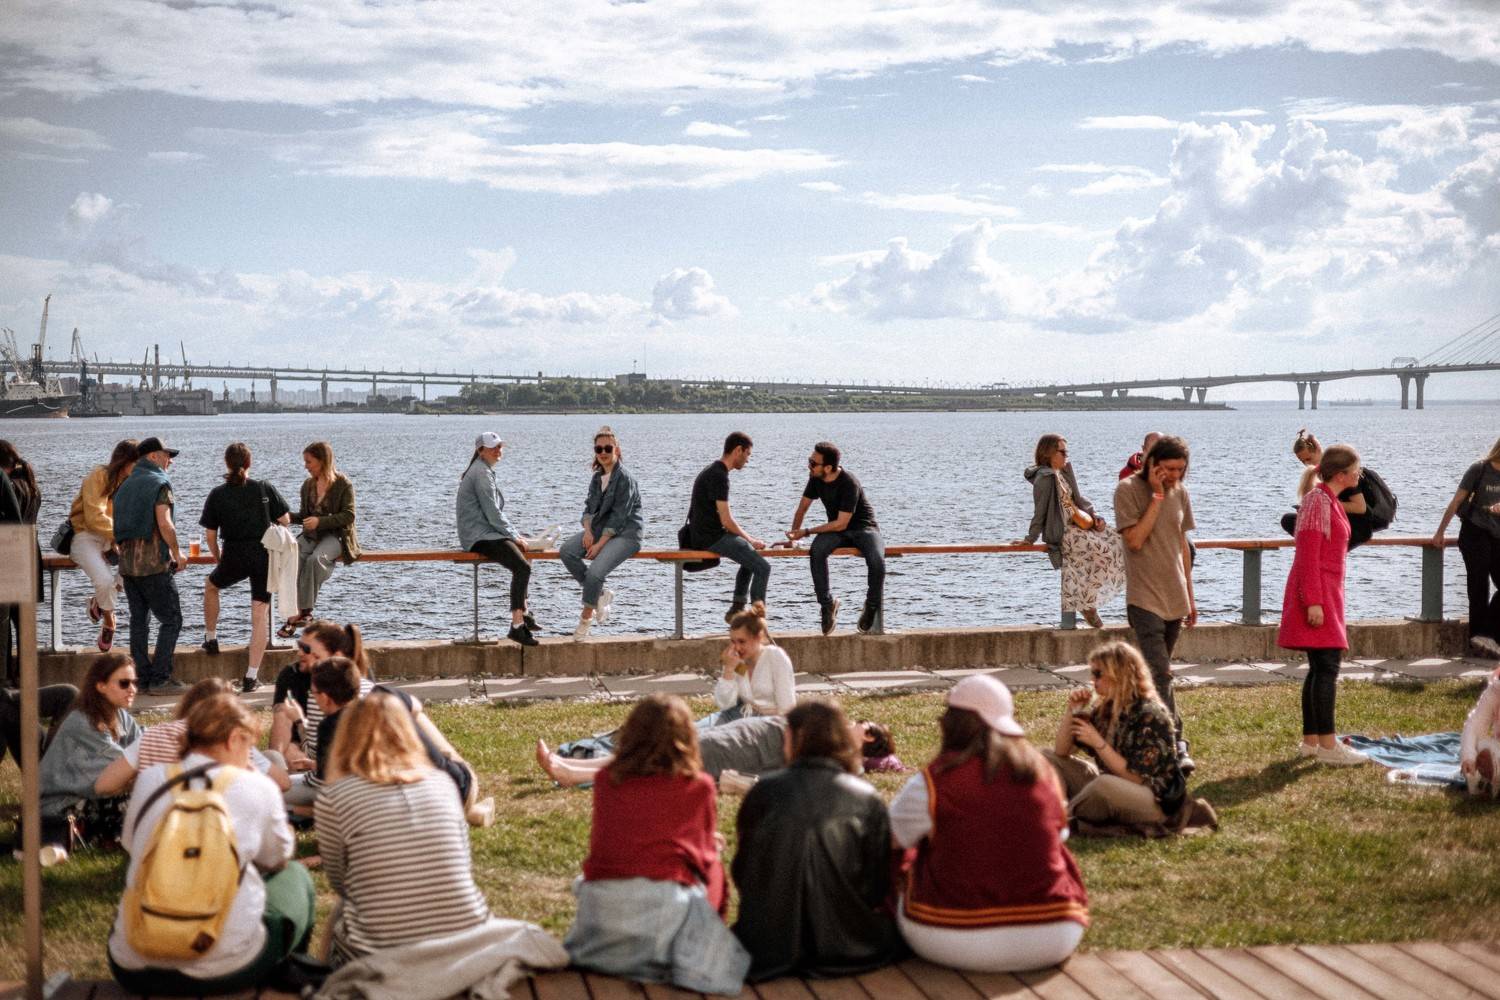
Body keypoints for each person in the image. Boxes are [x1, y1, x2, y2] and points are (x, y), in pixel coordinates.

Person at [108, 694, 315, 994]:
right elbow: (277, 859)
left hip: (135, 966)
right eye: (249, 745)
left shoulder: (150, 779)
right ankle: (288, 971)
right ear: (233, 739)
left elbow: (131, 844)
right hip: (224, 968)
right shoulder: (257, 786)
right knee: (296, 877)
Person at [890, 675, 1088, 971]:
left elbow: (891, 839)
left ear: (951, 723)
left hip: (949, 935)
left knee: (905, 855)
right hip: (1054, 933)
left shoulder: (934, 780)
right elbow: (1059, 836)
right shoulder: (1043, 773)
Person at [563, 695, 751, 994]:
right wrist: (708, 846)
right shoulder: (698, 786)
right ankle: (700, 946)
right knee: (713, 864)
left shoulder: (607, 780)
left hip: (603, 898)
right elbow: (700, 858)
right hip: (665, 904)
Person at [315, 692, 493, 966]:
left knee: (342, 910)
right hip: (466, 940)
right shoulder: (442, 783)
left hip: (376, 954)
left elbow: (340, 880)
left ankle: (325, 978)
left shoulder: (335, 797)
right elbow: (462, 860)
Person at [732, 700, 901, 981]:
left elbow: (743, 870)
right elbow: (876, 883)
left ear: (793, 737)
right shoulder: (866, 797)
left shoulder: (763, 792)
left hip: (768, 943)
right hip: (850, 942)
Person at [1279, 445, 1370, 767]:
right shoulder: (1318, 501)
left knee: (1319, 667)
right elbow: (1307, 554)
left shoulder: (1327, 499)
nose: (1359, 474)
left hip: (1327, 592)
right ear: (1341, 474)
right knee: (1327, 666)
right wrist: (1314, 602)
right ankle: (1329, 746)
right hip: (1318, 594)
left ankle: (1312, 742)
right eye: (1356, 469)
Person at [1113, 434, 1196, 773]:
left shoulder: (1182, 492)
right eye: (1170, 469)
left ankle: (1131, 730)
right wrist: (1157, 497)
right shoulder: (1127, 490)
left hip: (1175, 595)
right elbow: (1134, 540)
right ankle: (1176, 744)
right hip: (1144, 598)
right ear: (1153, 463)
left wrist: (1191, 595)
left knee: (1151, 676)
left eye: (1181, 470)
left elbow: (1182, 545)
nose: (1176, 475)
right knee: (1161, 673)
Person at [1044, 641, 1186, 829]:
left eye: (1098, 674)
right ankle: (1060, 809)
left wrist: (1098, 743)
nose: (1092, 680)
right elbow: (1061, 751)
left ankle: (1058, 818)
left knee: (1103, 785)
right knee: (1047, 757)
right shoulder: (1105, 709)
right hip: (1114, 784)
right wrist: (1072, 711)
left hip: (1152, 800)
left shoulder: (1150, 715)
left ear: (1119, 675)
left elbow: (1136, 778)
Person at [537, 713, 896, 787]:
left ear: (868, 737)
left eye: (863, 724)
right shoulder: (830, 739)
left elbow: (786, 772)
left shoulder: (833, 752)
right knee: (653, 753)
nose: (855, 722)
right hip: (738, 738)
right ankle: (570, 767)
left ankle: (571, 773)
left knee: (654, 761)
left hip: (736, 750)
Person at [199, 442, 293, 692]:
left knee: (211, 586)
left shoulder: (217, 494)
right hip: (263, 556)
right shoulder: (263, 487)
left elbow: (210, 535)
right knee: (259, 615)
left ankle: (211, 638)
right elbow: (285, 520)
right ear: (249, 463)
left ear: (227, 463)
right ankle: (251, 677)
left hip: (234, 554)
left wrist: (218, 558)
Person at [94, 677, 292, 794]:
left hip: (159, 837)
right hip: (219, 833)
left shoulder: (151, 737)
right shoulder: (231, 740)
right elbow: (284, 783)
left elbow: (103, 785)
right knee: (273, 759)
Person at [37, 652, 142, 844]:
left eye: (134, 683)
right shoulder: (85, 722)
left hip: (85, 798)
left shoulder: (118, 715)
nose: (132, 689)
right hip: (59, 810)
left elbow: (142, 744)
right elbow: (126, 766)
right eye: (124, 683)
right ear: (101, 686)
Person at [1023, 434, 1124, 630]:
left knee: (1119, 544)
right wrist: (1030, 538)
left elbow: (1078, 499)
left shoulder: (1062, 473)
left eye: (1066, 452)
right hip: (1066, 532)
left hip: (1079, 527)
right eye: (1062, 452)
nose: (1066, 456)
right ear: (1048, 453)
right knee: (1105, 554)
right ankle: (1087, 606)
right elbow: (1040, 511)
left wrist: (1094, 517)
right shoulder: (1045, 478)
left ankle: (1087, 601)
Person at [112, 435, 187, 695]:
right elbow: (165, 523)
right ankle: (160, 679)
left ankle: (142, 678)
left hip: (127, 566)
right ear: (153, 456)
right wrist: (177, 552)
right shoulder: (159, 483)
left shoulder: (124, 486)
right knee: (172, 619)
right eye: (167, 456)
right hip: (153, 564)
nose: (170, 462)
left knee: (139, 622)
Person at [787, 441, 885, 635]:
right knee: (817, 551)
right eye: (809, 461)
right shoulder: (815, 478)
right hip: (838, 531)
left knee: (877, 560)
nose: (809, 466)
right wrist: (793, 537)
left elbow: (842, 522)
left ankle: (871, 605)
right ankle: (827, 606)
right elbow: (802, 508)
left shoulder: (849, 482)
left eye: (813, 463)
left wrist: (807, 531)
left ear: (828, 467)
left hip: (863, 528)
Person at [457, 431, 543, 646]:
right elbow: (493, 513)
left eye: (499, 446)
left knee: (524, 554)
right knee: (522, 567)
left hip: (484, 533)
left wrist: (515, 536)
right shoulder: (481, 473)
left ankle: (524, 613)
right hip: (478, 537)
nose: (498, 450)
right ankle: (517, 626)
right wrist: (513, 535)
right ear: (480, 451)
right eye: (493, 447)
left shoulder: (482, 469)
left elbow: (492, 515)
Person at [559, 426, 643, 639]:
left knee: (595, 572)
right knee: (567, 551)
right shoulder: (597, 478)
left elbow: (619, 517)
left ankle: (585, 619)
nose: (603, 452)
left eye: (608, 448)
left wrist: (599, 545)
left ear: (617, 450)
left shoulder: (625, 478)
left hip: (627, 534)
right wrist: (588, 531)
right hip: (598, 530)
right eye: (599, 449)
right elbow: (588, 508)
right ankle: (600, 595)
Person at [686, 431, 771, 622]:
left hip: (705, 535)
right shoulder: (719, 476)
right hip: (711, 538)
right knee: (763, 568)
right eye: (748, 454)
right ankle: (756, 620)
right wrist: (751, 539)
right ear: (738, 450)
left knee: (750, 558)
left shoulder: (712, 470)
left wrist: (748, 542)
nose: (747, 460)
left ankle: (737, 608)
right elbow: (726, 520)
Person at [279, 441, 360, 638]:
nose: (305, 466)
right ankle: (295, 614)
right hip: (311, 536)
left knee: (315, 560)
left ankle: (303, 613)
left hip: (336, 536)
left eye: (309, 461)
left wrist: (320, 522)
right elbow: (304, 516)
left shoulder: (343, 484)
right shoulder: (307, 486)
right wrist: (286, 517)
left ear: (322, 461)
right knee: (293, 559)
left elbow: (349, 515)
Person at [67, 439, 137, 652]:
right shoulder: (99, 475)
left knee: (135, 565)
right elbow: (93, 517)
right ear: (125, 460)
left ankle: (98, 603)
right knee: (105, 581)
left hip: (111, 537)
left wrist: (118, 540)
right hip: (85, 536)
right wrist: (120, 536)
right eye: (137, 461)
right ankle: (109, 621)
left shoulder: (129, 483)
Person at [1433, 436, 1500, 659]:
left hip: (1498, 536)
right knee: (1478, 587)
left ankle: (1486, 635)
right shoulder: (1479, 469)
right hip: (1474, 533)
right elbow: (1456, 501)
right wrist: (1440, 532)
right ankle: (1478, 643)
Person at [284, 655, 361, 812]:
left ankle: (304, 814)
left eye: (313, 693)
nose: (313, 698)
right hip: (363, 785)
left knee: (273, 792)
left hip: (340, 793)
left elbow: (322, 780)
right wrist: (316, 765)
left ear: (325, 697)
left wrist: (299, 721)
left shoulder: (330, 724)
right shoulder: (366, 713)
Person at [1, 440, 43, 682]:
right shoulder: (33, 489)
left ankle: (6, 674)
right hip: (30, 555)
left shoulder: (9, 488)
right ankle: (27, 675)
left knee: (4, 623)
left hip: (10, 558)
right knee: (25, 623)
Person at [711, 605, 795, 725]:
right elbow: (724, 704)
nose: (737, 647)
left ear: (758, 637)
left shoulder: (775, 657)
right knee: (693, 731)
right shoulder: (738, 661)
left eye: (742, 641)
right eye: (733, 641)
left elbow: (787, 709)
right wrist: (729, 669)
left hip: (768, 724)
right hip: (736, 717)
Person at [1461, 666, 1500, 798]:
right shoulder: (1496, 689)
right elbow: (1475, 724)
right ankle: (1487, 776)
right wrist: (1469, 756)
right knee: (1481, 746)